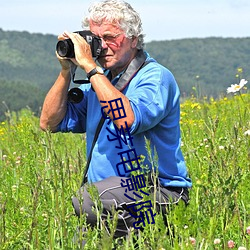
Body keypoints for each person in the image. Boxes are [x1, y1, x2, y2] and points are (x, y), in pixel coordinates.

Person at [40, 0, 192, 245]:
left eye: (110, 37)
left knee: (87, 199)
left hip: (158, 191)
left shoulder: (154, 77)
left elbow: (125, 120)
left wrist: (90, 67)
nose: (102, 47)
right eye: (96, 39)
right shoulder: (99, 83)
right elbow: (49, 122)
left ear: (133, 38)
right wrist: (66, 70)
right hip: (111, 199)